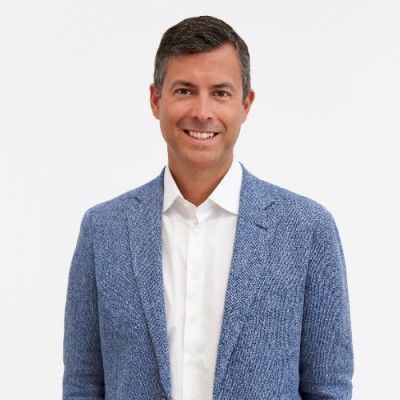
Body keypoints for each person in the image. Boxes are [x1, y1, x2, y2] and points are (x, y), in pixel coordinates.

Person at [63, 16, 353, 400]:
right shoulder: (103, 230)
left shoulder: (307, 229)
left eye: (220, 93)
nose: (202, 111)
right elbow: (83, 384)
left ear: (246, 104)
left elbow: (328, 387)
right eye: (184, 90)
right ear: (156, 100)